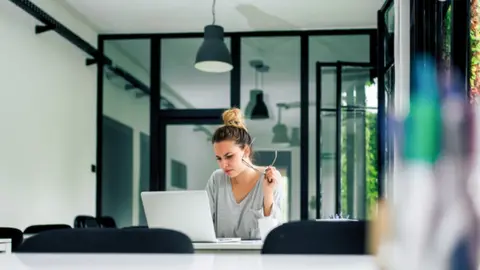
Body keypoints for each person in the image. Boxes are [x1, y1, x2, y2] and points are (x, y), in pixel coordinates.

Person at [205, 107, 283, 240]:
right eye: (219, 158)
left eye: (229, 156)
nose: (224, 165)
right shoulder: (216, 179)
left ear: (246, 151)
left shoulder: (270, 179)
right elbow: (204, 227)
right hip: (220, 258)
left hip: (257, 259)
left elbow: (272, 238)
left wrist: (268, 194)